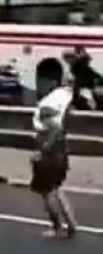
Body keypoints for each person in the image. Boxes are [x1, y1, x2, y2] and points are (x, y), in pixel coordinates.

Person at [32, 82, 77, 239]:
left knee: (47, 192)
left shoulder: (46, 123)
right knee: (59, 189)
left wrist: (41, 151)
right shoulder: (60, 124)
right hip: (61, 158)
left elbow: (50, 137)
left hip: (49, 160)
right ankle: (71, 223)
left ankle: (57, 226)